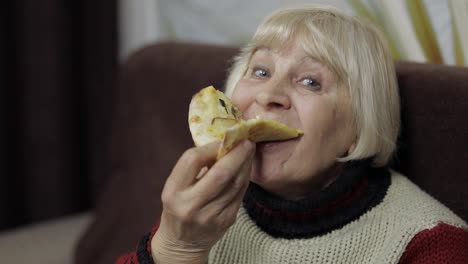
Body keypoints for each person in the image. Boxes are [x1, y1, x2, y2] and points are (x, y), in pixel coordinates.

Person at [116, 5, 468, 264]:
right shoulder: (199, 212)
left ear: (360, 124)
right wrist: (175, 250)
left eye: (311, 81)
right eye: (261, 70)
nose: (268, 95)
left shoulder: (431, 245)